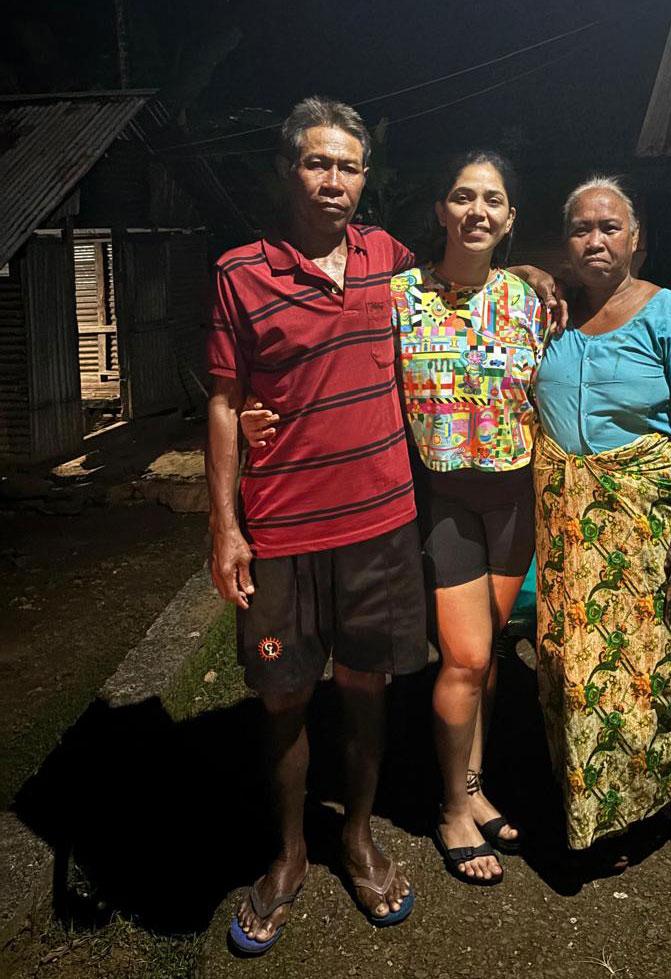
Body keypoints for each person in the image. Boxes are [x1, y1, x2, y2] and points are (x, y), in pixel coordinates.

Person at [206, 96, 428, 953]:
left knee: (367, 687)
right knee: (285, 697)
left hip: (379, 525)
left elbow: (467, 283)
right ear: (286, 170)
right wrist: (224, 529)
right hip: (283, 530)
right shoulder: (240, 274)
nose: (333, 181)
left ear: (365, 179)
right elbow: (225, 404)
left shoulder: (391, 261)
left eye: (349, 166)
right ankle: (292, 851)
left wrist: (543, 275)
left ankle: (359, 836)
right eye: (317, 163)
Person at [532, 176, 671, 869]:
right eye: (582, 228)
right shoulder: (549, 314)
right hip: (563, 518)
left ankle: (668, 795)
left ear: (635, 239)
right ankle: (599, 806)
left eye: (610, 227)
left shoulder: (667, 312)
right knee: (567, 662)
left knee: (644, 661)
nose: (596, 239)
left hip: (639, 515)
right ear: (566, 242)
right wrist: (528, 272)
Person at [392, 151, 545, 885]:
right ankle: (452, 807)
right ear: (441, 211)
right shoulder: (400, 297)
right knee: (465, 658)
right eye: (463, 196)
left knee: (484, 664)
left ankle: (477, 787)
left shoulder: (532, 299)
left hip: (514, 499)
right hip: (446, 498)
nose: (478, 210)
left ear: (510, 218)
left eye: (493, 199)